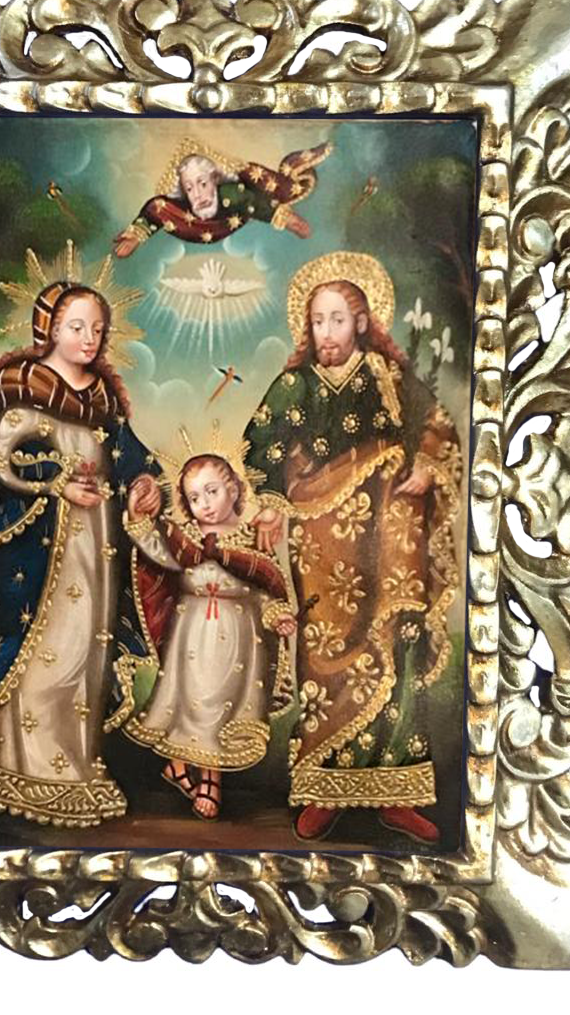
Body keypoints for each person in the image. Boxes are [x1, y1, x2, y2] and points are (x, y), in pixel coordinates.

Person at [241, 251, 463, 843]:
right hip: (322, 537)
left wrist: (425, 466)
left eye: (337, 320)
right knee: (326, 647)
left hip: (389, 533)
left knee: (398, 637)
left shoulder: (389, 378)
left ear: (362, 322)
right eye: (318, 321)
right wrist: (271, 498)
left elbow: (437, 427)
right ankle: (323, 786)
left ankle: (396, 792)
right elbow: (260, 443)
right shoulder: (294, 385)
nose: (327, 333)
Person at [0, 271, 162, 828]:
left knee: (84, 649)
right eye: (76, 327)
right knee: (45, 649)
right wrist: (57, 481)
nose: (89, 338)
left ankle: (71, 765)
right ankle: (16, 761)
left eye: (98, 329)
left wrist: (144, 484)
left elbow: (131, 458)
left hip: (95, 547)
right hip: (37, 554)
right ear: (50, 329)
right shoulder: (20, 387)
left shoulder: (103, 400)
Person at [119, 451, 297, 820]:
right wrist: (138, 519)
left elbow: (266, 588)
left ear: (234, 488)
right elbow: (157, 551)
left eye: (212, 491)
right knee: (198, 702)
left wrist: (277, 616)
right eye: (195, 498)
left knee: (222, 707)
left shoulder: (251, 539)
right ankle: (209, 783)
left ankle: (179, 768)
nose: (205, 504)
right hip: (194, 633)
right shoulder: (184, 539)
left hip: (240, 637)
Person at [113, 142, 331, 257]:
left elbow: (254, 203)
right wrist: (135, 236)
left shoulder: (232, 194)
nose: (198, 194)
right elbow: (155, 210)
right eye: (189, 188)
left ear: (215, 180)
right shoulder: (181, 209)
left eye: (203, 183)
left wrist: (288, 220)